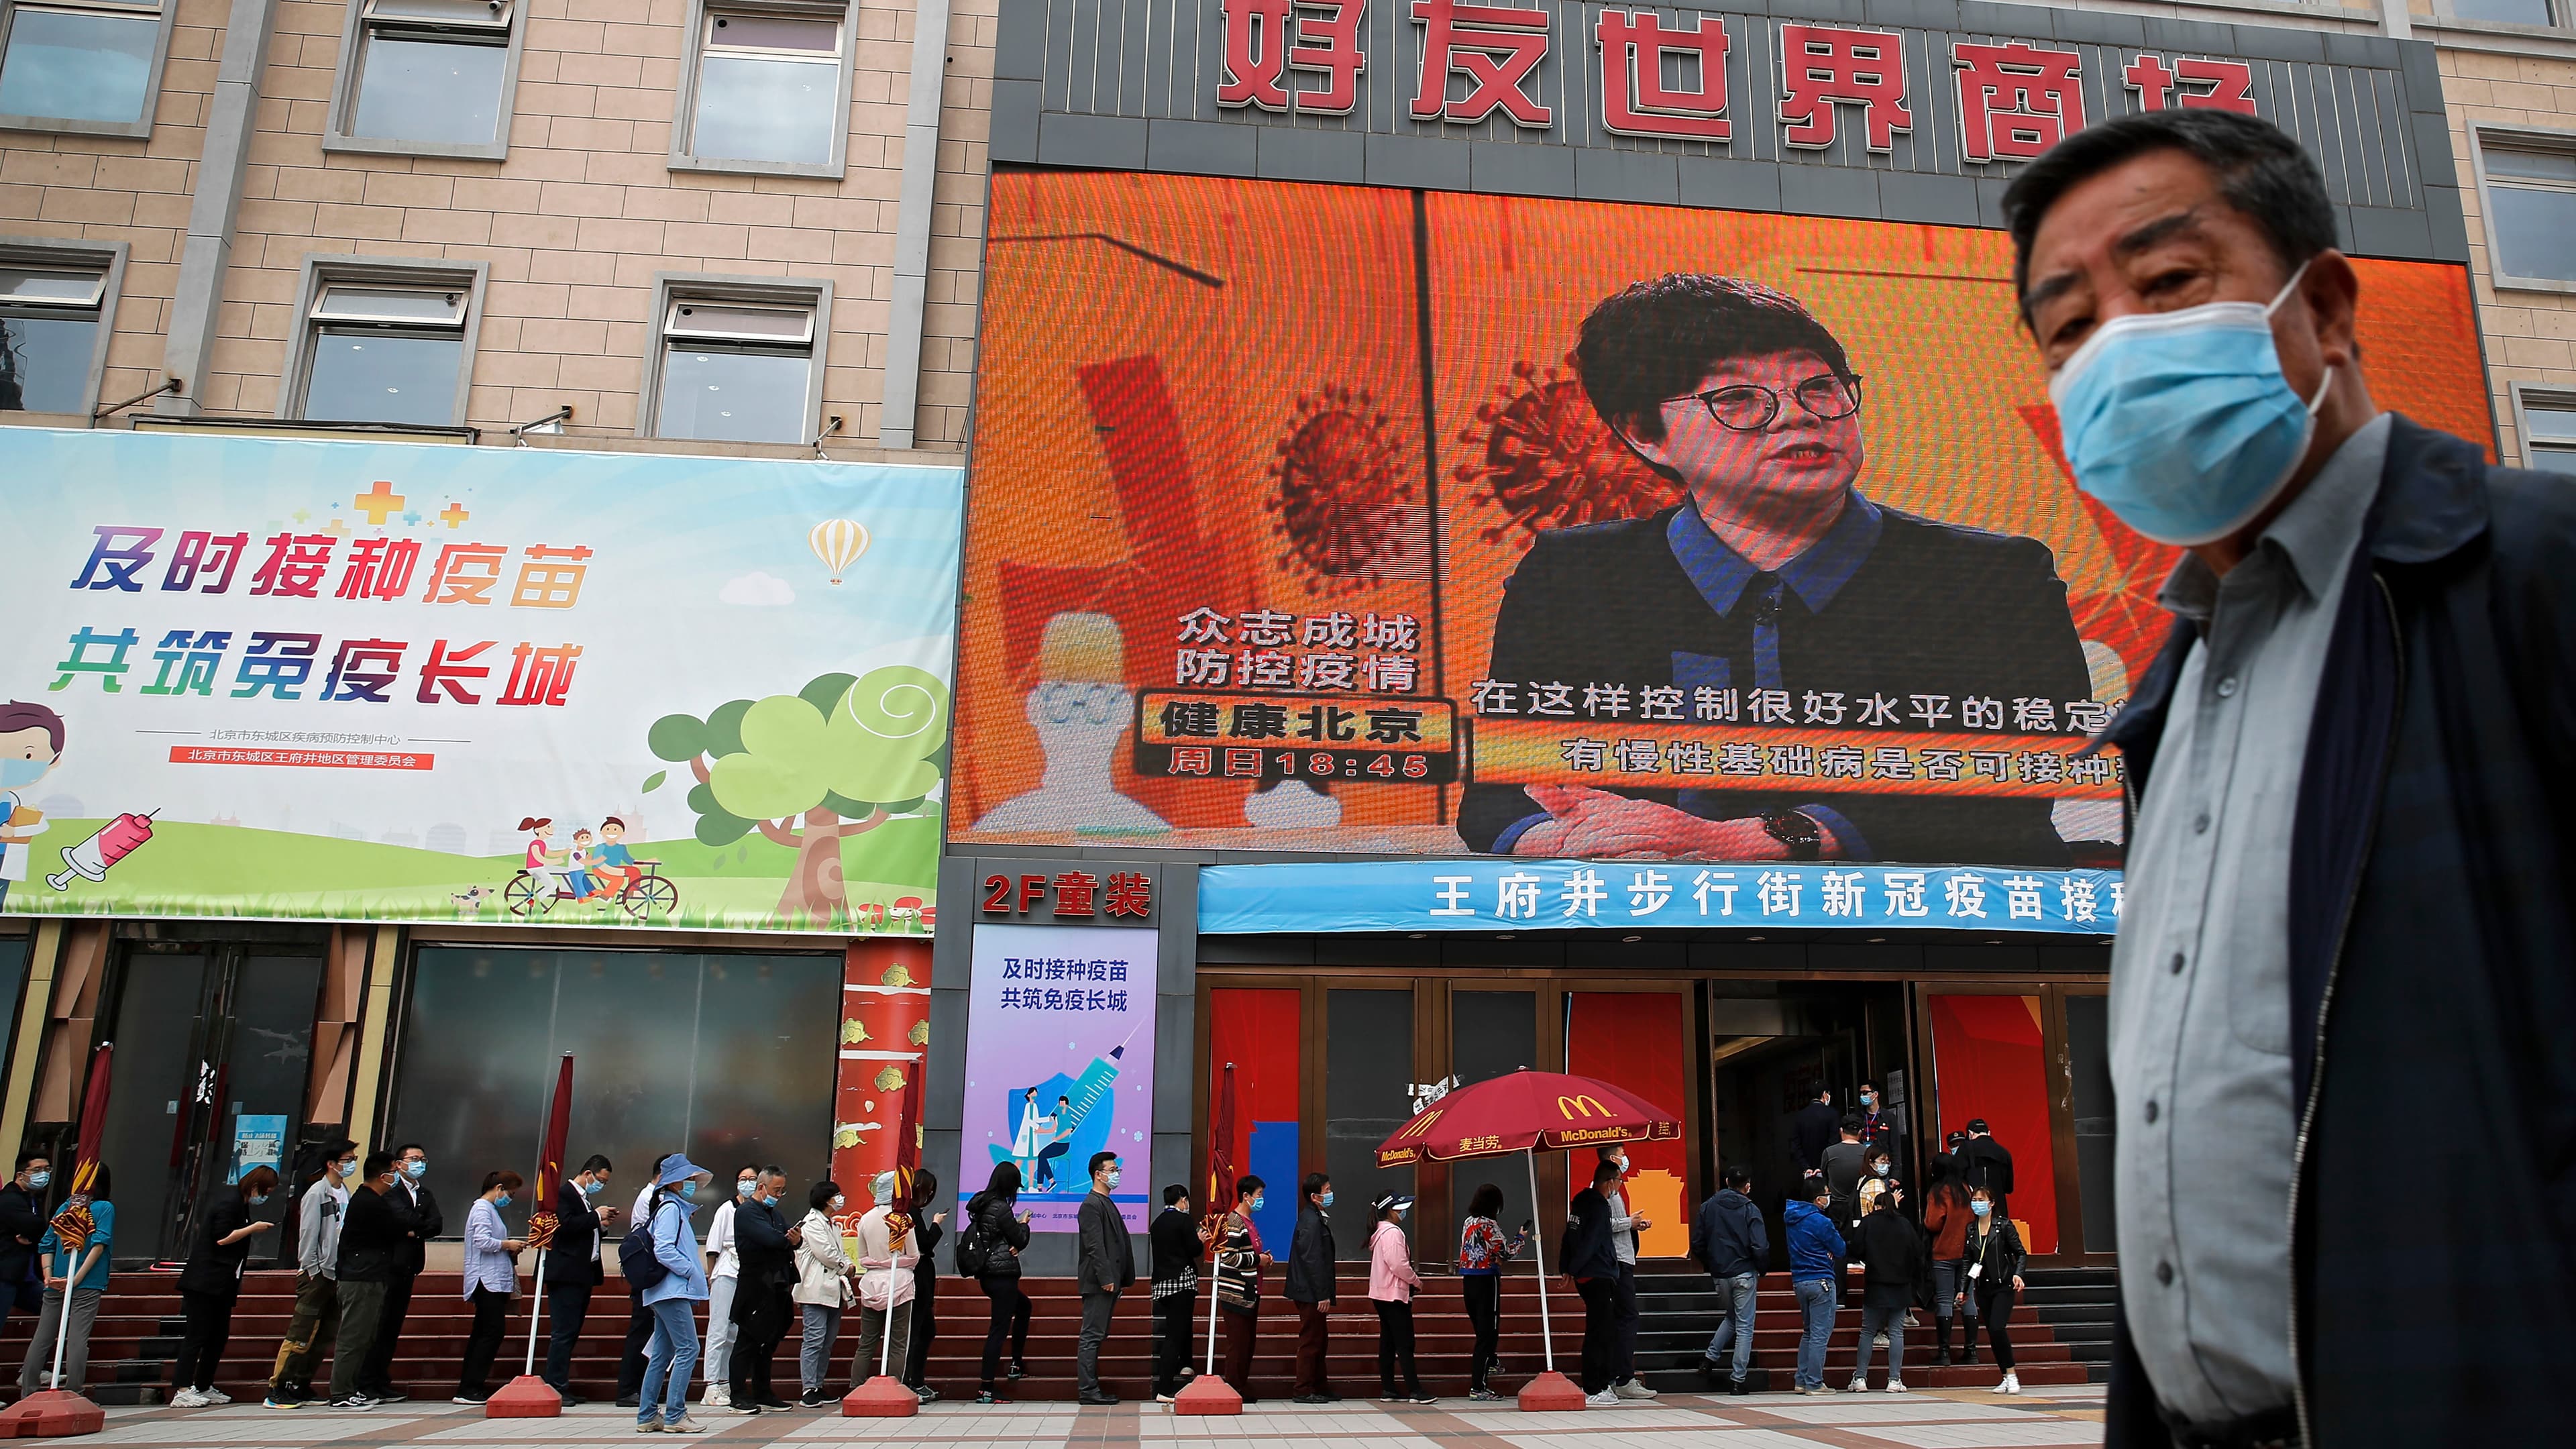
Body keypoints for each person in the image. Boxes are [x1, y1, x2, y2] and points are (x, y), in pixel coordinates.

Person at [2025, 112, 2576, 1449]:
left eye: (2167, 285)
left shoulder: (2530, 577)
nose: (2120, 351)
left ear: (2323, 305)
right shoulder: (2172, 690)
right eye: (2070, 329)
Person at [1456, 272, 2092, 864]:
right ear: (1646, 436)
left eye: (1818, 387)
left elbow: (2010, 787)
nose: (1798, 413)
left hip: (1942, 934)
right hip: (1649, 931)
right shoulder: (1573, 576)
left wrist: (1745, 840)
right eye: (1737, 398)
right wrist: (1576, 840)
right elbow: (1502, 792)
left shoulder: (1994, 578)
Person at [170, 1165, 277, 1405]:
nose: (266, 1195)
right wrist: (253, 1228)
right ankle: (183, 1388)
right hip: (205, 1281)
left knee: (218, 1336)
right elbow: (222, 1238)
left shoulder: (242, 1203)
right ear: (255, 1185)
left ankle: (203, 1385)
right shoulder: (229, 1203)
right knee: (197, 1335)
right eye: (266, 1190)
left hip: (223, 1283)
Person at [266, 1138, 354, 1409]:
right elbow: (309, 1233)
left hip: (337, 1273)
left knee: (326, 1332)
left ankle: (301, 1383)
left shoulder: (344, 1191)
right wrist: (312, 1267)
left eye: (353, 1159)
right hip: (317, 1274)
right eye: (347, 1160)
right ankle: (278, 1387)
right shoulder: (317, 1193)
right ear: (331, 1164)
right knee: (302, 1332)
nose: (351, 1164)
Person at [634, 1155, 713, 1434]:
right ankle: (675, 1414)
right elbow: (665, 1250)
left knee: (662, 1353)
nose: (692, 1183)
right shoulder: (670, 1208)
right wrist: (691, 1272)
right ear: (675, 1181)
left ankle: (647, 1415)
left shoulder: (669, 1207)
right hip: (673, 1290)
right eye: (688, 1179)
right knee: (688, 1348)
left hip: (665, 1290)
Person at [17, 1162, 110, 1399]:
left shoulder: (65, 1208)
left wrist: (48, 1275)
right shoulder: (104, 1208)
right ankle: (74, 1393)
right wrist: (76, 1278)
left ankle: (28, 1393)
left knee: (43, 1336)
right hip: (86, 1282)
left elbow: (46, 1244)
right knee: (78, 1338)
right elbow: (99, 1245)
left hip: (57, 1280)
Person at [357, 1142, 440, 1403]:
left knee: (393, 1326)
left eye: (423, 1159)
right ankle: (365, 1381)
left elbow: (435, 1224)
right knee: (377, 1326)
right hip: (387, 1266)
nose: (420, 1163)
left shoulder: (424, 1194)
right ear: (399, 1163)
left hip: (410, 1266)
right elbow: (401, 1220)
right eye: (415, 1158)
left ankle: (381, 1380)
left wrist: (415, 1229)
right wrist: (414, 1225)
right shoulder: (389, 1191)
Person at [328, 1152, 403, 1410]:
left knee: (365, 1337)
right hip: (360, 1278)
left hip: (371, 1275)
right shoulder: (369, 1202)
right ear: (384, 1176)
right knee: (353, 1336)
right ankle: (340, 1393)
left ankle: (352, 1387)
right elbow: (398, 1229)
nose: (397, 1175)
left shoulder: (373, 1200)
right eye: (395, 1171)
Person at [541, 1154, 618, 1404]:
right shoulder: (565, 1194)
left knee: (571, 1332)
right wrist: (596, 1216)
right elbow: (565, 1226)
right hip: (566, 1274)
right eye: (600, 1180)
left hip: (583, 1273)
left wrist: (601, 1224)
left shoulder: (584, 1200)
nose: (601, 1185)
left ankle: (562, 1383)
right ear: (588, 1174)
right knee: (563, 1332)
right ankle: (554, 1384)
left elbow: (584, 1230)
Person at [725, 1165, 798, 1412]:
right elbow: (774, 1239)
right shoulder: (747, 1212)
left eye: (782, 1191)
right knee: (748, 1339)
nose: (778, 1195)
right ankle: (738, 1394)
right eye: (776, 1190)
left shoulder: (774, 1214)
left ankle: (763, 1391)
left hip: (777, 1285)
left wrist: (791, 1240)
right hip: (755, 1285)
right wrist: (786, 1239)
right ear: (762, 1187)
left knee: (768, 1341)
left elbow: (789, 1238)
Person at [851, 1171, 926, 1402]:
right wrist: (891, 1262)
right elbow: (914, 1256)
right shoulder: (903, 1220)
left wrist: (877, 1262)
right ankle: (895, 1386)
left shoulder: (865, 1219)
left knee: (867, 1341)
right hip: (900, 1284)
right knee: (898, 1341)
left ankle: (855, 1387)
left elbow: (862, 1257)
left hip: (872, 1284)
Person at [452, 1170, 526, 1405]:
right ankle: (470, 1385)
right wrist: (507, 1244)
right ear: (499, 1188)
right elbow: (482, 1241)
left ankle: (472, 1384)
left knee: (484, 1332)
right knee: (491, 1331)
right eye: (510, 1194)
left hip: (493, 1279)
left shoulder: (490, 1210)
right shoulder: (482, 1209)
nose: (510, 1199)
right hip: (486, 1280)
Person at [963, 1161, 1032, 1403]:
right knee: (999, 1329)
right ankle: (987, 1387)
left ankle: (1016, 1363)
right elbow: (1020, 1239)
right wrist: (1024, 1223)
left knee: (1024, 1307)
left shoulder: (983, 1204)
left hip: (989, 1274)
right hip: (1001, 1275)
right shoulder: (1001, 1208)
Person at [1690, 1165, 1764, 1395]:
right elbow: (1760, 1245)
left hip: (1721, 1274)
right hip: (1744, 1272)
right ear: (1748, 1185)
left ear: (1726, 1181)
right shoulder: (1750, 1209)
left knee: (1732, 1317)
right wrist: (1761, 1268)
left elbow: (1698, 1243)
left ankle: (1709, 1359)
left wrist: (1712, 1264)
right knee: (1744, 1326)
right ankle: (1738, 1379)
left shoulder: (1708, 1207)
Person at [1847, 1181, 1924, 1393]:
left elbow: (1857, 1248)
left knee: (1868, 1331)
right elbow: (1918, 1252)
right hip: (1900, 1284)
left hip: (1875, 1282)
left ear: (1876, 1206)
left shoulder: (1868, 1222)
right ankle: (1894, 1380)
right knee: (1897, 1332)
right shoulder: (1905, 1225)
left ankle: (1860, 1378)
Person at [620, 1152, 683, 1407]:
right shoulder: (652, 1198)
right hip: (649, 1273)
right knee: (641, 1330)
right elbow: (661, 1242)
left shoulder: (659, 1199)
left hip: (652, 1273)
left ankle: (639, 1387)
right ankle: (628, 1388)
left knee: (651, 1334)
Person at [1561, 1159, 1625, 1409]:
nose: (1619, 1185)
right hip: (1597, 1274)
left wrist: (1566, 1267)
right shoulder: (1599, 1206)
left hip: (1586, 1274)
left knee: (1599, 1329)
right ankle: (1594, 1387)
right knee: (1600, 1331)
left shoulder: (1580, 1203)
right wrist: (1575, 1267)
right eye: (1619, 1180)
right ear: (1610, 1182)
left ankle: (1598, 1383)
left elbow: (1569, 1235)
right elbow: (1593, 1241)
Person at [1073, 1150, 1134, 1406]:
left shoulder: (1106, 1202)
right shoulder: (1091, 1205)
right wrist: (1106, 1277)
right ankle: (1088, 1389)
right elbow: (1095, 1246)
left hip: (1110, 1282)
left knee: (1098, 1335)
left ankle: (1091, 1387)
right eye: (1112, 1170)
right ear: (1098, 1175)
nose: (1116, 1173)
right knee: (1092, 1335)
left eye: (1117, 1169)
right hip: (1099, 1283)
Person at [1594, 1144, 1654, 1401]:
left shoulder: (1615, 1189)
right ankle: (1623, 1377)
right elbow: (1600, 1224)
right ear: (1612, 1158)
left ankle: (1621, 1375)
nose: (1625, 1157)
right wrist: (1629, 1222)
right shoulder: (1602, 1189)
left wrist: (1634, 1224)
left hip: (1623, 1258)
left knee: (1624, 1319)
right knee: (1627, 1317)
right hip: (1616, 1262)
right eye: (1621, 1152)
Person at [1455, 1183, 1526, 1401]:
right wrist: (1521, 1238)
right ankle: (1479, 1387)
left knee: (1481, 1330)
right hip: (1487, 1280)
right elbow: (1505, 1252)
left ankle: (1492, 1362)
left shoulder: (1469, 1222)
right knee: (1489, 1333)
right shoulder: (1490, 1225)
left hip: (1468, 1280)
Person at [792, 1179, 856, 1407]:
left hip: (833, 1291)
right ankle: (808, 1388)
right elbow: (827, 1254)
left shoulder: (833, 1225)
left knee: (827, 1342)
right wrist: (845, 1267)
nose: (840, 1199)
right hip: (814, 1290)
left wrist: (849, 1265)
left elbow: (840, 1252)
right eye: (837, 1195)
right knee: (814, 1340)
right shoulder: (811, 1224)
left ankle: (818, 1385)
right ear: (826, 1199)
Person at [698, 1164, 756, 1409]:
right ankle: (711, 1385)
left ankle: (726, 1382)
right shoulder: (727, 1209)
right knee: (719, 1329)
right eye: (743, 1178)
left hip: (746, 1275)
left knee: (734, 1333)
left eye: (752, 1179)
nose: (747, 1183)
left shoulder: (757, 1210)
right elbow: (713, 1247)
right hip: (726, 1273)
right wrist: (712, 1278)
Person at [1365, 1192, 1432, 1404]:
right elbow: (1398, 1265)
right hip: (1394, 1295)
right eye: (1400, 1208)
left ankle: (1389, 1389)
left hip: (1380, 1293)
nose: (1404, 1212)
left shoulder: (1379, 1232)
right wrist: (1416, 1281)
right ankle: (1415, 1390)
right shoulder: (1393, 1233)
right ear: (1391, 1210)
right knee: (1404, 1342)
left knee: (1388, 1342)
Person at [1211, 1175, 1270, 1403]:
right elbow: (1228, 1257)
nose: (1261, 1200)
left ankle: (1241, 1385)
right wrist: (1258, 1260)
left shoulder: (1249, 1222)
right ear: (1246, 1196)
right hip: (1236, 1293)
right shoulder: (1234, 1222)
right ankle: (1234, 1386)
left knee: (1247, 1343)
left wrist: (1262, 1259)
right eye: (1259, 1195)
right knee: (1238, 1343)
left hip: (1251, 1290)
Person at [1962, 1185, 2024, 1395]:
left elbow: (2021, 1253)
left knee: (1998, 1327)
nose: (1977, 1203)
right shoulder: (1971, 1229)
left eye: (1982, 1200)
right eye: (1974, 1199)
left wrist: (2018, 1273)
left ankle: (2013, 1374)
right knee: (1992, 1332)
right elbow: (1967, 1261)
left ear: (1992, 1203)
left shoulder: (2004, 1226)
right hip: (1983, 1287)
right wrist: (1963, 1289)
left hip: (2003, 1285)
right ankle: (2005, 1376)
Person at [1282, 1172, 1337, 1405]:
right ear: (1315, 1196)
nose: (1331, 1194)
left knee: (1320, 1339)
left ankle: (1319, 1385)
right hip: (1310, 1292)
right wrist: (1322, 1294)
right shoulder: (1311, 1221)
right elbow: (1312, 1259)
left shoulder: (1316, 1217)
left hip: (1311, 1290)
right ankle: (1303, 1389)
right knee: (1311, 1340)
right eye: (1327, 1191)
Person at [1784, 1177, 1843, 1395]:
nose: (1829, 1198)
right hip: (1821, 1280)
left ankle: (1801, 1379)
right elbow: (1839, 1248)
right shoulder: (1822, 1222)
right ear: (1819, 1199)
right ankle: (1815, 1382)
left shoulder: (1792, 1218)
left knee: (1808, 1332)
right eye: (1827, 1194)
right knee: (1820, 1334)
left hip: (1800, 1280)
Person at [1148, 1183, 1203, 1403]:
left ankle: (1186, 1366)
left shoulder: (1157, 1222)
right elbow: (1195, 1250)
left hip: (1162, 1284)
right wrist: (1200, 1239)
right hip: (1182, 1282)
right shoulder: (1183, 1221)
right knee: (1175, 1334)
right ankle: (1165, 1387)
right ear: (1182, 1198)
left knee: (1177, 1327)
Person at [1921, 1152, 1976, 1366]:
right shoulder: (1965, 1189)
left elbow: (1933, 1223)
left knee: (1944, 1300)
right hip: (1967, 1253)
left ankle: (1944, 1351)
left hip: (1943, 1251)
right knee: (1968, 1299)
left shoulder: (1938, 1192)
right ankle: (1971, 1350)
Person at [901, 1167, 945, 1401]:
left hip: (922, 1280)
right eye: (929, 1191)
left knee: (925, 1330)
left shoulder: (912, 1211)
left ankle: (915, 1381)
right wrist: (937, 1224)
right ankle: (910, 1382)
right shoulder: (911, 1212)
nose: (930, 1196)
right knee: (919, 1331)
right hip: (917, 1279)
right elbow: (925, 1244)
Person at [0, 1153, 48, 1339]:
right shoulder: (9, 1200)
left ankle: (36, 1365)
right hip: (5, 1276)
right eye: (37, 1170)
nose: (43, 1174)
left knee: (54, 1309)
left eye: (46, 1169)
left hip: (25, 1277)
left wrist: (33, 1236)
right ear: (21, 1174)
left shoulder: (30, 1199)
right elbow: (37, 1226)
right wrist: (35, 1232)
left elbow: (37, 1230)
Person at [1820, 1118, 1866, 1271]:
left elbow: (1824, 1177)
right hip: (1860, 1208)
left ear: (1841, 1131)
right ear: (1860, 1133)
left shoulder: (1829, 1152)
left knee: (1837, 1251)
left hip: (1836, 1208)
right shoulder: (1867, 1153)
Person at [1953, 1120, 2013, 1218]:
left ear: (1971, 1133)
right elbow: (2009, 1187)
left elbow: (1956, 1179)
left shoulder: (1965, 1148)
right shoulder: (2004, 1153)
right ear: (1989, 1133)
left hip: (1972, 1209)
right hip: (1999, 1210)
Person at [1855, 1081, 1903, 1178]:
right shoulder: (1857, 1117)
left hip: (1882, 1168)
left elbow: (1895, 1147)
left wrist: (1895, 1175)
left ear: (1876, 1094)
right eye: (1861, 1093)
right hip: (1862, 1167)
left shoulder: (1888, 1117)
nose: (1862, 1096)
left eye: (1865, 1093)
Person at [1788, 1086, 1838, 1177]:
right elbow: (1833, 1143)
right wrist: (1822, 1167)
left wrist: (1806, 1167)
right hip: (1827, 1170)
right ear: (1824, 1094)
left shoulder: (1800, 1116)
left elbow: (1795, 1145)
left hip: (1807, 1172)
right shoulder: (1832, 1114)